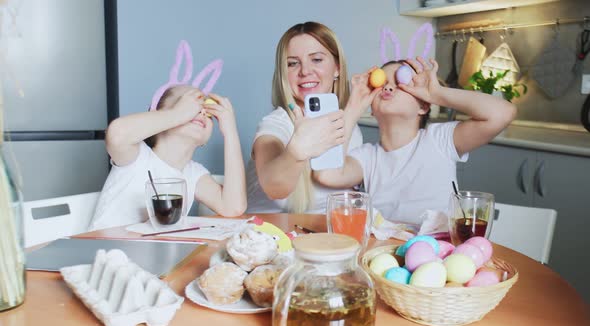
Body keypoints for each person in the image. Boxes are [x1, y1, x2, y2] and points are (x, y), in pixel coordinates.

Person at [313, 57, 517, 225]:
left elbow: (502, 113)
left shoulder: (439, 140)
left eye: (401, 84)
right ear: (372, 109)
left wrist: (437, 94)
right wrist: (354, 106)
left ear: (423, 107)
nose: (389, 88)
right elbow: (327, 175)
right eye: (382, 83)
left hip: (439, 251)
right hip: (387, 254)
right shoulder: (368, 157)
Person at [246, 21, 380, 214]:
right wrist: (297, 151)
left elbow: (339, 186)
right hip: (271, 237)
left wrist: (352, 110)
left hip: (324, 238)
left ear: (337, 68)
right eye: (292, 63)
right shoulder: (276, 124)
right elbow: (274, 187)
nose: (305, 71)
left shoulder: (352, 128)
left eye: (316, 60)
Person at [90, 85, 246, 230]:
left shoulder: (193, 174)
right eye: (186, 104)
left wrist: (230, 131)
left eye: (208, 113)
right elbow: (117, 134)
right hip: (108, 251)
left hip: (147, 254)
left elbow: (233, 207)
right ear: (159, 118)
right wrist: (178, 114)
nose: (201, 112)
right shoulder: (137, 156)